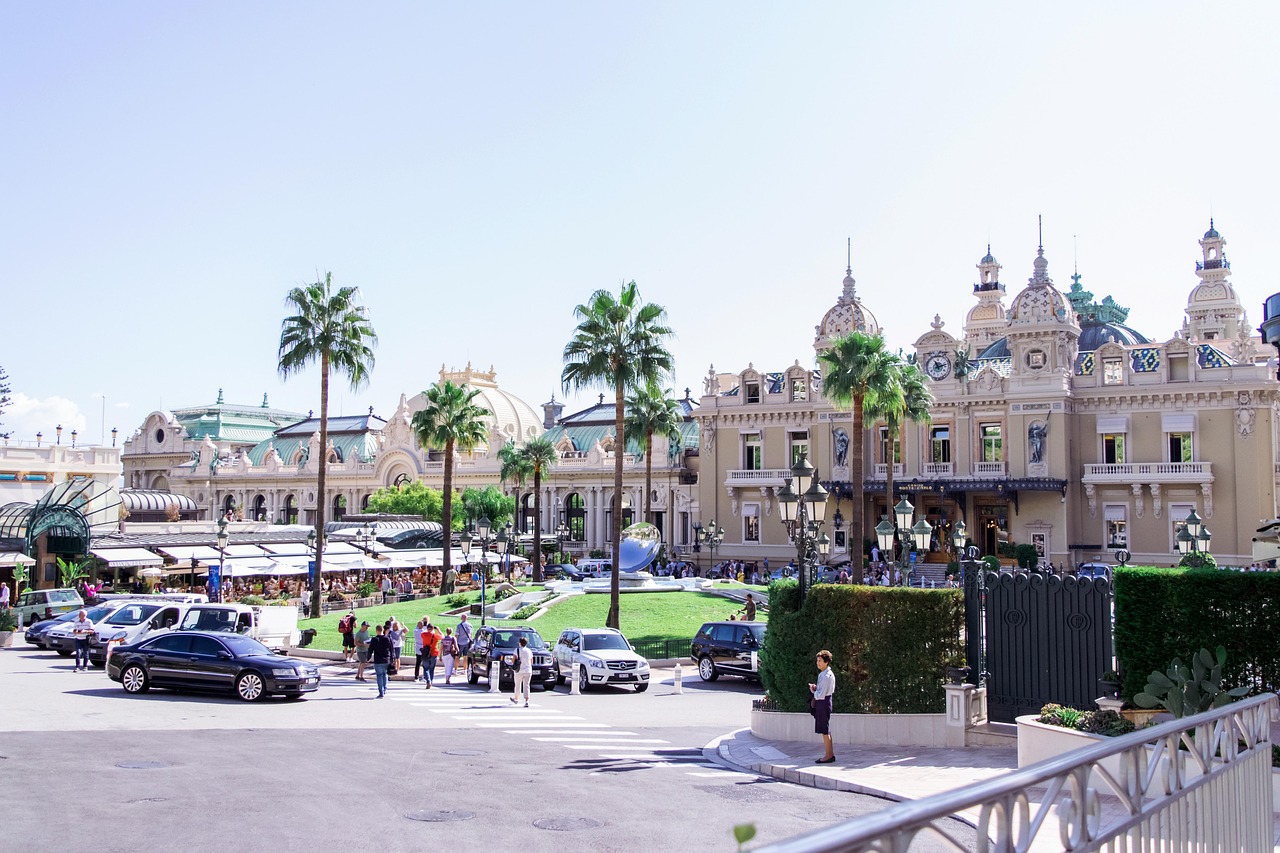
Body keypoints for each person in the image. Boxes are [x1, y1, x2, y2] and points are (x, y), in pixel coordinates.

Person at [809, 649, 836, 764]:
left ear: (826, 662)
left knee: (825, 730)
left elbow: (821, 695)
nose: (818, 663)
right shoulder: (822, 674)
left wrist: (813, 692)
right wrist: (816, 688)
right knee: (824, 729)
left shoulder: (827, 676)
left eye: (820, 661)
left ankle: (829, 755)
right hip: (822, 701)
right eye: (817, 661)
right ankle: (829, 754)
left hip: (824, 702)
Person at [368, 624, 392, 698]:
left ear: (376, 631)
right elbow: (392, 649)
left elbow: (370, 649)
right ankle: (384, 689)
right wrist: (392, 659)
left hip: (378, 660)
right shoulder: (388, 638)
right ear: (383, 630)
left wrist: (368, 658)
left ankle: (381, 691)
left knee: (379, 675)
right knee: (385, 674)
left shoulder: (374, 639)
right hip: (386, 659)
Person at [509, 635, 533, 707]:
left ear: (520, 643)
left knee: (517, 685)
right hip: (528, 670)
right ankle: (527, 700)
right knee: (526, 685)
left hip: (519, 670)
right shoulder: (529, 651)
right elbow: (531, 661)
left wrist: (511, 661)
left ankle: (516, 698)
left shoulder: (517, 650)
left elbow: (513, 660)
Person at [421, 622, 441, 689]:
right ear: (433, 628)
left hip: (425, 653)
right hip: (434, 653)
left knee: (426, 668)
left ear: (427, 628)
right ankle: (431, 682)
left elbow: (423, 632)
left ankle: (428, 681)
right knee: (431, 669)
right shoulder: (435, 636)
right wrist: (438, 630)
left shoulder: (423, 634)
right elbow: (442, 636)